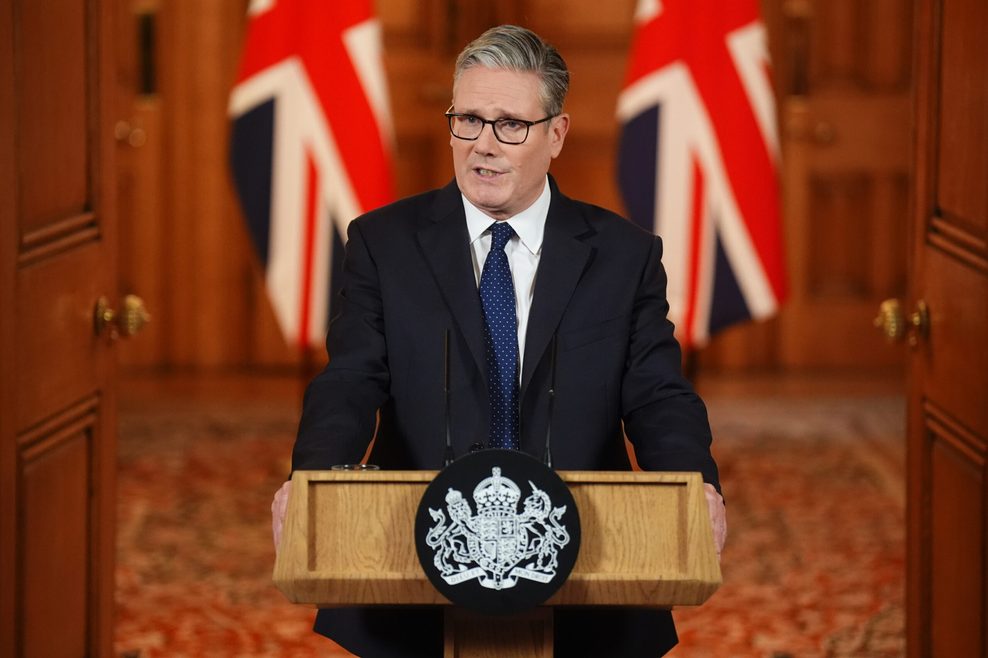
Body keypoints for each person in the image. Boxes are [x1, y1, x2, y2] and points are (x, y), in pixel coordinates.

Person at [271, 24, 726, 658]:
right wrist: (312, 478)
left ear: (556, 135)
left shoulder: (625, 256)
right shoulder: (383, 244)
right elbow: (350, 381)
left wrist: (696, 485)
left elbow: (657, 395)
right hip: (414, 558)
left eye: (510, 124)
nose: (483, 146)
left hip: (589, 560)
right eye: (468, 121)